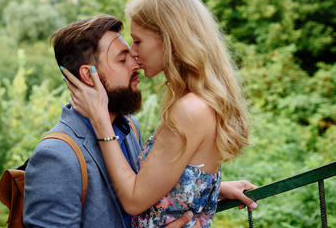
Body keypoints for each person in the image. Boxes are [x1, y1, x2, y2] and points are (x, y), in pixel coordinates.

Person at [24, 14, 256, 228]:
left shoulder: (128, 126)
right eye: (122, 59)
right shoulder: (55, 157)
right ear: (88, 75)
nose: (136, 64)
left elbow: (141, 185)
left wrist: (206, 188)